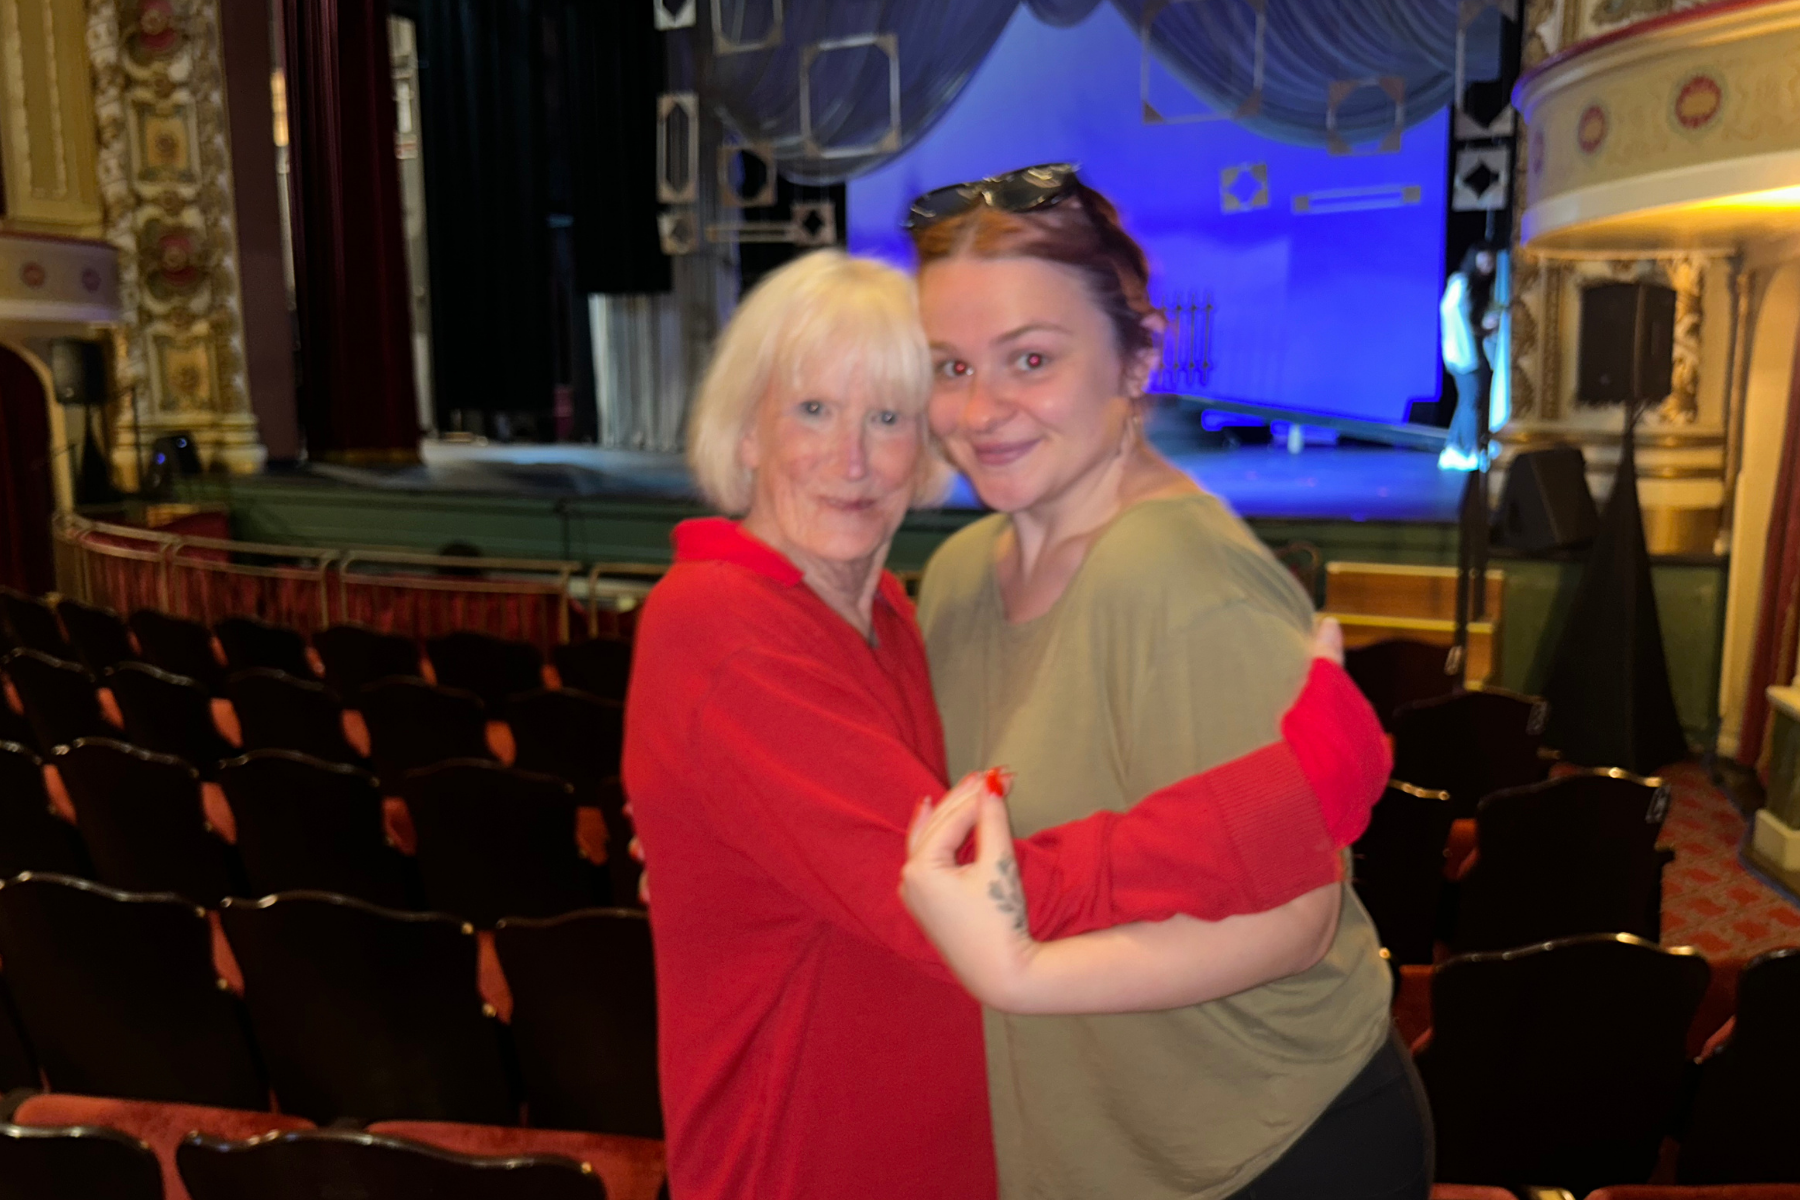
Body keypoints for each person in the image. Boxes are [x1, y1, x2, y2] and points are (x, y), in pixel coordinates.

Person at [621, 248, 1392, 1200]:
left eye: (889, 417)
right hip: (808, 1162)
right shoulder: (724, 627)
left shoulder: (895, 617)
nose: (851, 458)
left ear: (928, 444)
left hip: (947, 1156)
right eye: (812, 410)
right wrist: (1292, 794)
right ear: (745, 433)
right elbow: (975, 895)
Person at [900, 164, 1432, 1199]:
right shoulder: (963, 574)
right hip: (1110, 1146)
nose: (981, 407)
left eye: (1032, 358)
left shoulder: (1181, 580)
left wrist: (1023, 975)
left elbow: (1297, 920)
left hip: (1268, 1151)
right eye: (950, 366)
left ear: (1138, 356)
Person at [1439, 241, 1508, 471]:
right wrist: (1477, 329)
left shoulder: (1480, 286)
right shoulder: (1461, 283)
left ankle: (1454, 448)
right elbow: (1455, 318)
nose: (1488, 265)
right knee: (1471, 400)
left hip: (1472, 351)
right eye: (1485, 260)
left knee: (1469, 400)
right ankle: (1469, 449)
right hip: (1463, 353)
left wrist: (1486, 326)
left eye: (1491, 261)